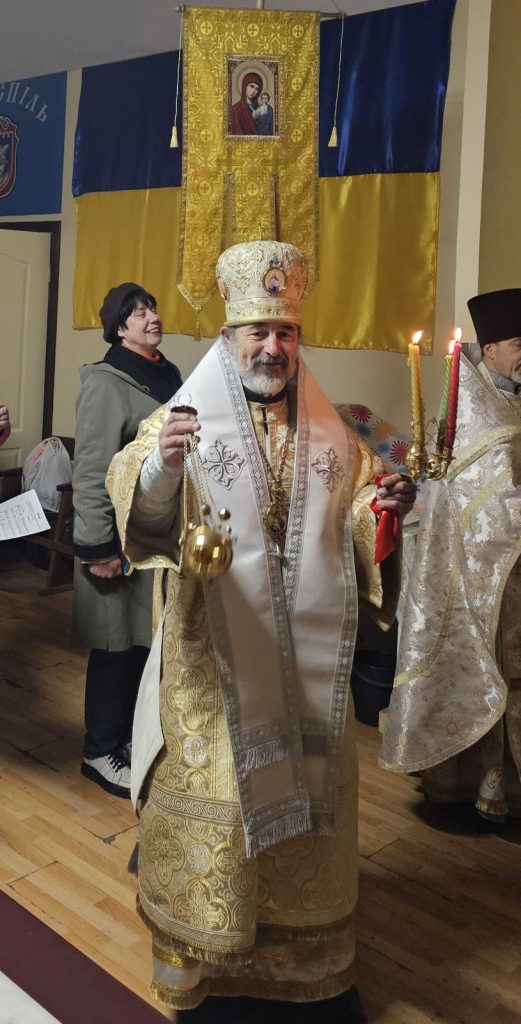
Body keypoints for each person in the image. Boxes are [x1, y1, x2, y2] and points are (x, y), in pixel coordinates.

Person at [106, 241, 416, 1021]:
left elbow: (356, 506)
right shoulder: (181, 418)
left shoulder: (331, 431)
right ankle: (203, 972)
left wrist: (382, 513)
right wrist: (163, 468)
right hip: (213, 669)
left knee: (306, 821)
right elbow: (137, 500)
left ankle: (302, 976)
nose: (272, 347)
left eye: (285, 332)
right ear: (228, 337)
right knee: (213, 804)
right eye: (257, 332)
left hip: (306, 672)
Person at [381, 288, 521, 822]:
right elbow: (471, 494)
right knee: (482, 671)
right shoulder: (468, 410)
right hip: (474, 575)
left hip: (513, 578)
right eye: (519, 343)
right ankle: (469, 786)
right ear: (490, 349)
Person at [73, 282, 182, 798]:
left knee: (144, 646)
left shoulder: (167, 376)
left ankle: (130, 741)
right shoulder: (106, 382)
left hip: (155, 537)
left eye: (152, 308)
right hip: (116, 542)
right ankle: (99, 752)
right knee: (115, 648)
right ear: (119, 329)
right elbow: (91, 470)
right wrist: (98, 548)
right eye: (137, 313)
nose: (151, 317)